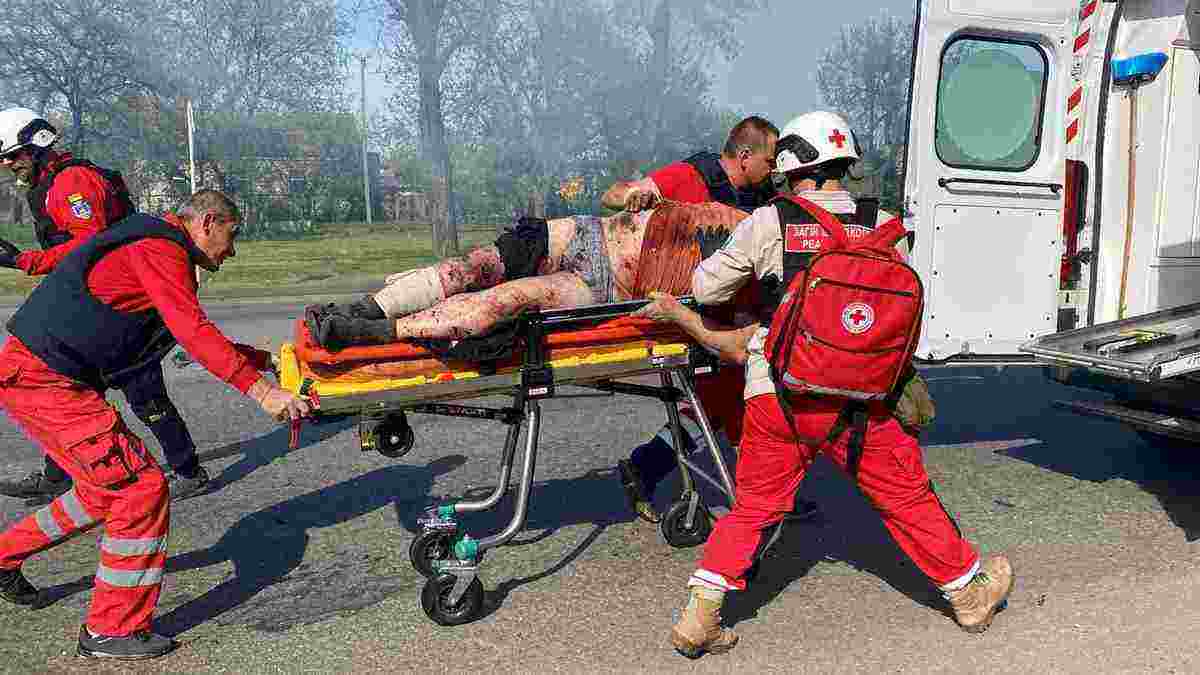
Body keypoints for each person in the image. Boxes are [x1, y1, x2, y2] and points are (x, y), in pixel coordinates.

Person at [667, 111, 1014, 658]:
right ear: (844, 163)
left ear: (788, 166)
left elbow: (707, 289)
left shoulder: (770, 220)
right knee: (905, 495)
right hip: (861, 398)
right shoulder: (885, 223)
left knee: (754, 506)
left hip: (778, 390)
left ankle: (700, 614)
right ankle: (968, 594)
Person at [0, 190, 313, 660]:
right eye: (232, 235)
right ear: (208, 222)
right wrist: (263, 392)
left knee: (103, 490)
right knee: (139, 489)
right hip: (46, 381)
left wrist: (264, 362)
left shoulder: (155, 244)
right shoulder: (159, 247)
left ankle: (3, 557)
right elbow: (192, 330)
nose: (232, 250)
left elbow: (181, 333)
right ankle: (111, 629)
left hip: (41, 376)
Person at [0, 106, 211, 503]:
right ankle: (58, 475)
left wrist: (27, 261)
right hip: (92, 303)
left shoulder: (72, 182)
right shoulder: (50, 183)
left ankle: (188, 471)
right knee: (72, 390)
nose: (9, 165)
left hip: (124, 305)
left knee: (141, 388)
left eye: (13, 155)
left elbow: (91, 245)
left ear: (37, 145)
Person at [306, 201, 751, 348]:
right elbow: (616, 194)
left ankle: (365, 332)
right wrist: (634, 192)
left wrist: (681, 316)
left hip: (604, 287)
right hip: (586, 231)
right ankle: (362, 309)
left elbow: (733, 337)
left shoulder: (759, 273)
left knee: (504, 301)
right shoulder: (730, 201)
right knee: (475, 265)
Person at [601, 115, 780, 214]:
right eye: (770, 162)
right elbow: (611, 194)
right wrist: (632, 195)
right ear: (745, 157)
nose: (774, 169)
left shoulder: (768, 197)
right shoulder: (686, 176)